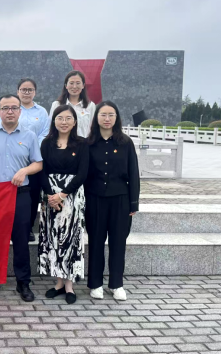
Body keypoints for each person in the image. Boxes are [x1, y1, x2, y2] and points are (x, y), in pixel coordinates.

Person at [0, 94, 43, 302]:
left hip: (19, 194)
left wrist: (24, 171)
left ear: (20, 111)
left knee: (21, 239)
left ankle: (23, 282)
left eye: (14, 107)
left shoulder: (29, 136)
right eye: (5, 108)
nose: (10, 111)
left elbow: (38, 163)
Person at [85, 100, 140, 301]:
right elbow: (84, 174)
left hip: (120, 200)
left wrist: (133, 203)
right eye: (103, 114)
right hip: (95, 199)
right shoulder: (88, 143)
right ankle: (95, 284)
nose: (107, 119)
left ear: (117, 118)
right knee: (96, 241)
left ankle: (116, 284)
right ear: (96, 117)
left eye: (111, 115)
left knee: (118, 242)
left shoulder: (126, 143)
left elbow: (133, 173)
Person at [38, 105, 88, 305]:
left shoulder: (82, 144)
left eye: (68, 118)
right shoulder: (46, 143)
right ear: (54, 121)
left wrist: (63, 194)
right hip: (50, 195)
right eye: (60, 118)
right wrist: (51, 196)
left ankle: (69, 285)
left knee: (71, 238)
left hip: (72, 196)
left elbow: (83, 173)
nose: (64, 122)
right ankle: (58, 282)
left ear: (74, 122)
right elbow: (41, 170)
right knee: (54, 237)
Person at [16, 78, 50, 243]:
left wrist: (32, 146)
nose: (26, 92)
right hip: (16, 156)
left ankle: (28, 226)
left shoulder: (41, 112)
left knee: (33, 193)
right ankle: (14, 226)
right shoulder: (13, 109)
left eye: (30, 90)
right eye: (23, 89)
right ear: (18, 92)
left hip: (36, 157)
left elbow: (45, 132)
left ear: (35, 92)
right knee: (17, 193)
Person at [50, 71, 96, 138]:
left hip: (84, 143)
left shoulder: (90, 106)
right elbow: (51, 126)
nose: (74, 86)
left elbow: (93, 128)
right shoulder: (57, 105)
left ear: (83, 85)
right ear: (66, 86)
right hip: (62, 143)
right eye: (71, 83)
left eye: (78, 83)